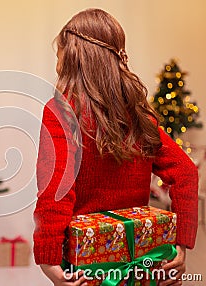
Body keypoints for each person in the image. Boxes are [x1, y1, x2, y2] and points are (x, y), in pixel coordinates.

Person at [33, 8, 198, 286]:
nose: (57, 63)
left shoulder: (62, 112)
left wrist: (49, 262)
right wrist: (179, 244)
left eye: (59, 53)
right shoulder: (138, 113)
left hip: (87, 268)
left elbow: (56, 191)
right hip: (144, 261)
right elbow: (186, 172)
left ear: (74, 55)